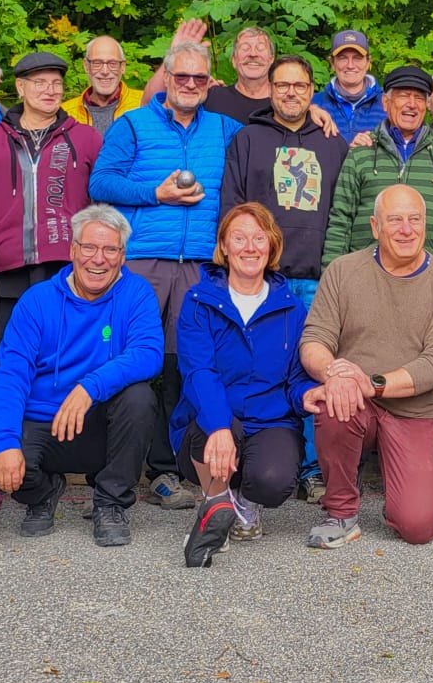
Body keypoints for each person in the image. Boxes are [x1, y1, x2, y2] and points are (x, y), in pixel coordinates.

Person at [89, 40, 242, 511]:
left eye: (200, 78)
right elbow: (100, 182)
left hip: (199, 263)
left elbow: (267, 145)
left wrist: (320, 116)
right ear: (166, 78)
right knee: (126, 358)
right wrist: (154, 194)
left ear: (209, 82)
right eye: (182, 76)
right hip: (142, 260)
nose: (190, 85)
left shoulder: (225, 128)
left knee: (182, 365)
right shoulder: (134, 124)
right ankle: (106, 471)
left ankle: (167, 470)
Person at [0, 50, 103, 511]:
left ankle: (66, 462)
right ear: (19, 88)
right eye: (39, 82)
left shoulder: (85, 138)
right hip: (4, 270)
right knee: (0, 368)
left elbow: (100, 202)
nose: (49, 89)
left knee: (70, 362)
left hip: (66, 270)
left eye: (56, 82)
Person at [299, 185, 433, 548]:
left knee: (418, 527)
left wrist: (371, 383)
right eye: (395, 220)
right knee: (333, 402)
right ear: (375, 227)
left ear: (425, 224)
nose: (406, 229)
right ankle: (341, 512)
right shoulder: (343, 271)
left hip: (414, 412)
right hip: (355, 403)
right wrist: (334, 375)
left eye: (414, 219)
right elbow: (314, 340)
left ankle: (402, 492)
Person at [0, 205, 163, 548]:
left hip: (100, 426)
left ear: (122, 256)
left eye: (110, 249)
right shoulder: (37, 301)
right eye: (89, 247)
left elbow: (149, 353)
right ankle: (44, 493)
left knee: (140, 398)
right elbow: (10, 376)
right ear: (72, 250)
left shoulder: (137, 293)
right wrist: (6, 444)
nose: (98, 259)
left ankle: (110, 503)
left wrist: (90, 387)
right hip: (44, 423)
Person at [220, 54, 349, 501]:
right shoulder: (247, 139)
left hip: (318, 278)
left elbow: (344, 209)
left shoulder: (332, 141)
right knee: (263, 369)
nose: (291, 92)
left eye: (299, 85)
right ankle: (261, 457)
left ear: (312, 91)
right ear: (270, 90)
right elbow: (232, 207)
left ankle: (313, 468)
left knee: (315, 371)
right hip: (262, 278)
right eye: (282, 85)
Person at [173, 204, 314, 565]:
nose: (250, 247)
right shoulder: (198, 302)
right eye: (239, 238)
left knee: (274, 480)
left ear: (272, 245)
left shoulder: (292, 308)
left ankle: (245, 503)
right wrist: (219, 426)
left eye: (258, 238)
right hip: (214, 419)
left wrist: (309, 394)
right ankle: (216, 506)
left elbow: (296, 380)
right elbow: (199, 372)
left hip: (270, 421)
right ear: (223, 245)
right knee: (210, 434)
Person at [320, 66, 433, 285]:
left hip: (431, 283)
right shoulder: (361, 154)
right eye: (403, 96)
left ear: (426, 106)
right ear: (386, 103)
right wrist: (331, 281)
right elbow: (340, 222)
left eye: (419, 98)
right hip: (366, 280)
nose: (412, 104)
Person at [310, 30, 386, 137]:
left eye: (357, 58)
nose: (350, 65)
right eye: (343, 58)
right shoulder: (314, 103)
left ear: (368, 62)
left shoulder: (387, 103)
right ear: (332, 63)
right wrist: (307, 109)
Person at [61, 36, 142, 134]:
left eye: (112, 63)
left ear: (123, 67)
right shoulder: (64, 114)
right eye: (97, 63)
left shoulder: (144, 105)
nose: (105, 71)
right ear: (86, 66)